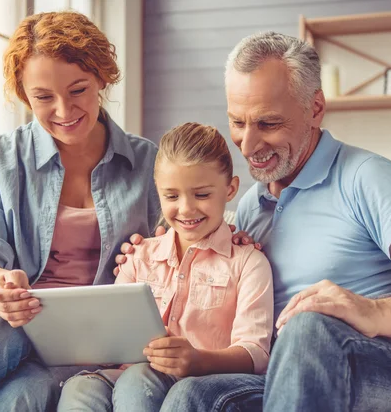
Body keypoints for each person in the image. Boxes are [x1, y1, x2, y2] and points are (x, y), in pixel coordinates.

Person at [116, 32, 391, 411]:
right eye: (237, 122)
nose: (247, 146)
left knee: (309, 324)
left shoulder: (367, 179)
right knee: (192, 395)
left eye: (268, 123)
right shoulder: (252, 203)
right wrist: (152, 255)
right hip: (287, 371)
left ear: (315, 108)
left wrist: (372, 312)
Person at [0, 11, 162, 411]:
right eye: (44, 97)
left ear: (102, 79)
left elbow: (185, 241)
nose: (64, 110)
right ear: (26, 96)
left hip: (83, 341)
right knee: (9, 319)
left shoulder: (149, 163)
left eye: (78, 90)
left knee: (28, 394)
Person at [57, 122, 274, 411]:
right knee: (80, 387)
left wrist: (198, 359)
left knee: (138, 377)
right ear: (157, 191)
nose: (185, 209)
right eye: (171, 196)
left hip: (196, 381)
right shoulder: (138, 256)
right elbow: (112, 334)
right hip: (125, 373)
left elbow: (256, 353)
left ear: (230, 188)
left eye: (202, 194)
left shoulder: (248, 262)